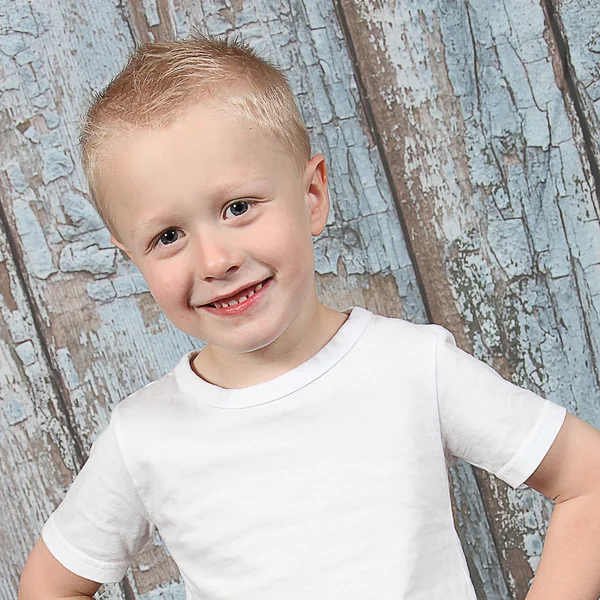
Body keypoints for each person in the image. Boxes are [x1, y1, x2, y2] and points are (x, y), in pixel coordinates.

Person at [18, 36, 600, 600]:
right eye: (168, 236)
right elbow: (52, 584)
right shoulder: (143, 435)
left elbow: (589, 482)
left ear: (313, 195)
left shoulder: (411, 368)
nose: (216, 260)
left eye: (238, 207)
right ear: (133, 257)